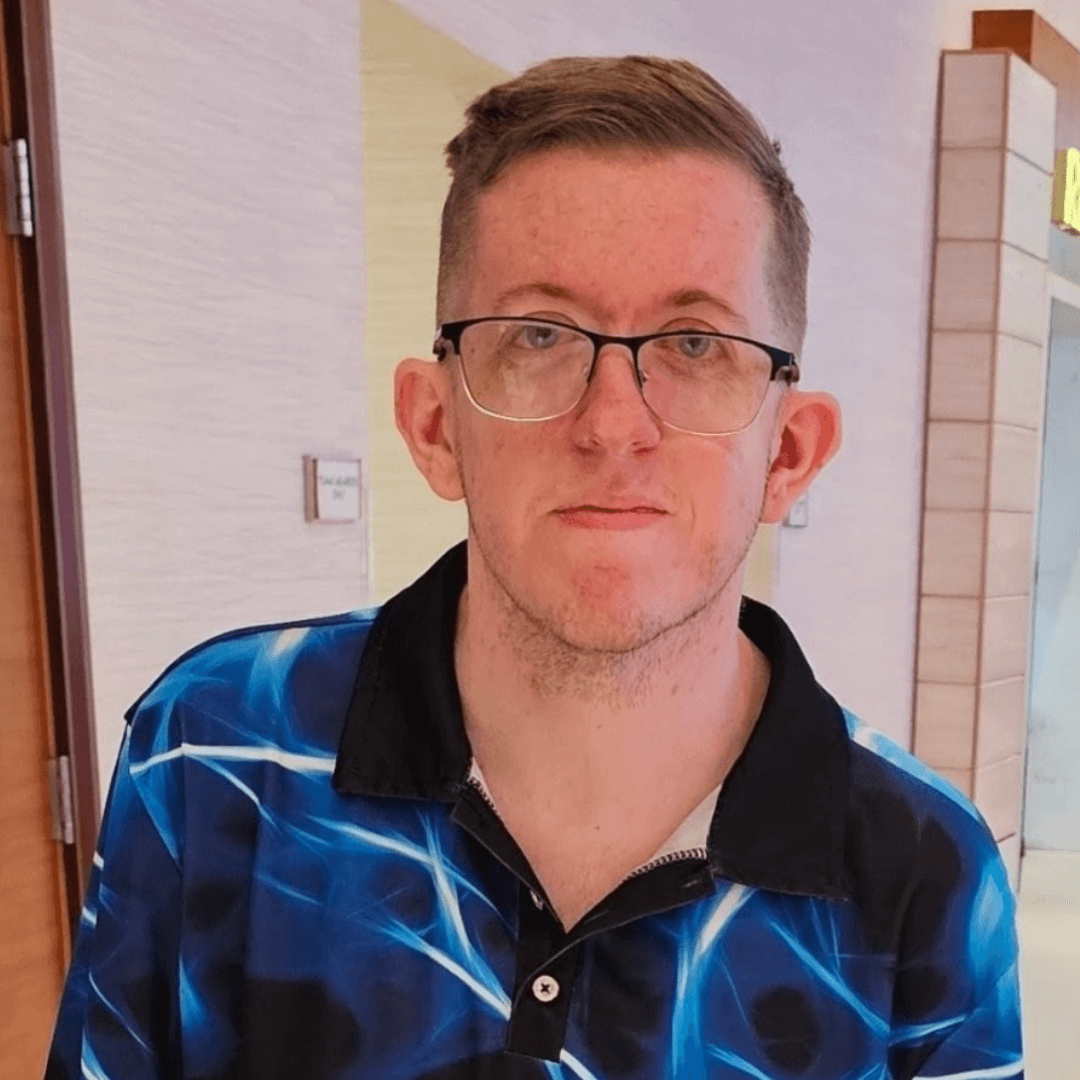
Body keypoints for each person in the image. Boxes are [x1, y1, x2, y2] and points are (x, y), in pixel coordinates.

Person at [47, 56, 1022, 1080]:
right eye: (539, 335)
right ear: (435, 425)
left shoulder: (927, 873)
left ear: (788, 453)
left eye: (695, 344)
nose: (613, 424)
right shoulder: (216, 749)